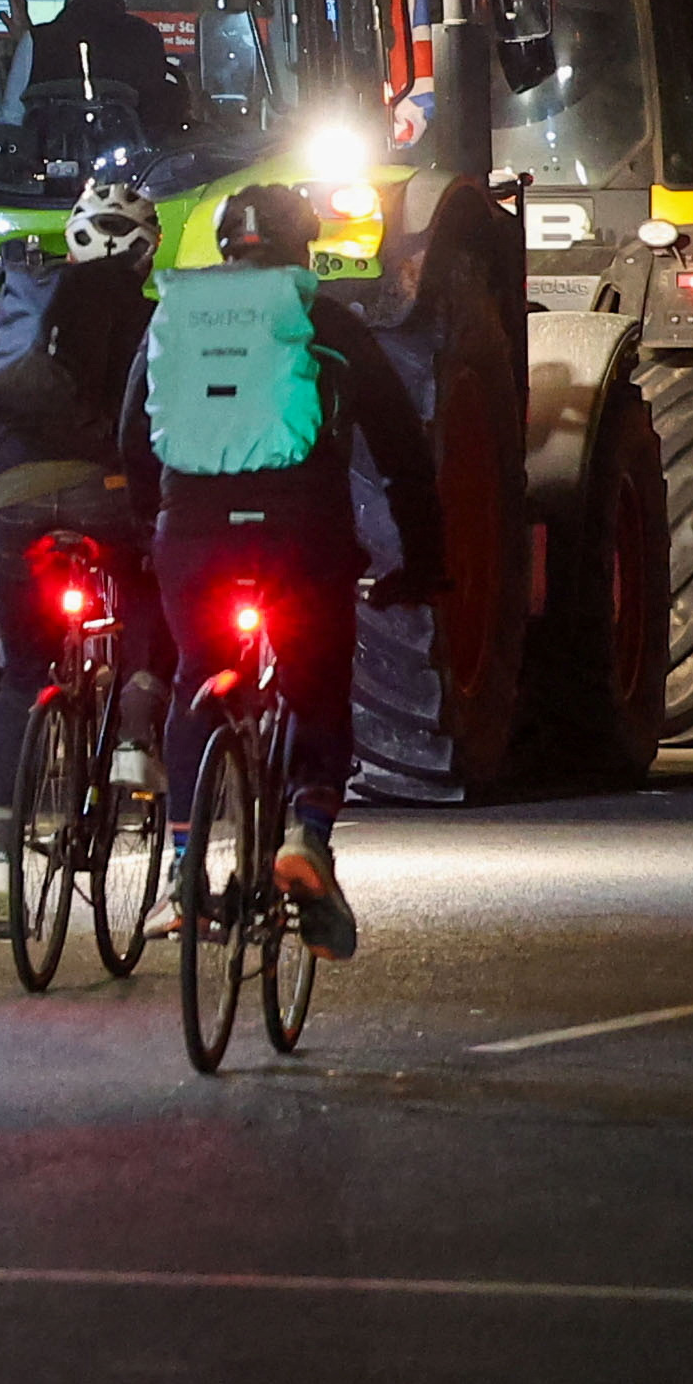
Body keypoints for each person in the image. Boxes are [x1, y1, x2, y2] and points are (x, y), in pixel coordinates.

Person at [119, 182, 448, 961]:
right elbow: (401, 448)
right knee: (315, 676)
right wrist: (423, 561)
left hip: (191, 534)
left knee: (201, 667)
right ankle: (309, 831)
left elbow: (135, 433)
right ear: (304, 250)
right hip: (301, 533)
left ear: (226, 245)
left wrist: (155, 526)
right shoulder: (323, 320)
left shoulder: (177, 315)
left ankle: (182, 869)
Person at [0, 167, 161, 939]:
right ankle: (133, 738)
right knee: (147, 588)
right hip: (101, 490)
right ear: (148, 250)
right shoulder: (152, 315)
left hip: (10, 499)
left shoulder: (21, 303)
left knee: (23, 673)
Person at [23, 0, 178, 152]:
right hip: (134, 164)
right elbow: (157, 110)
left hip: (49, 161)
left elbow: (11, 117)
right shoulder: (147, 37)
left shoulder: (37, 39)